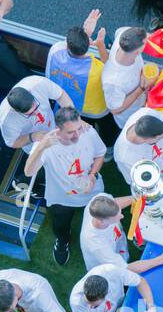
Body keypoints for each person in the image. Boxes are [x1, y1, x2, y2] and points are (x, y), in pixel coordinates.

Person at [24, 107, 107, 266]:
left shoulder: (87, 132)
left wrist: (92, 175)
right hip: (62, 197)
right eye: (71, 132)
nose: (77, 135)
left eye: (78, 129)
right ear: (58, 129)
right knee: (61, 224)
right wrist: (41, 146)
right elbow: (28, 172)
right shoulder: (47, 145)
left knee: (101, 216)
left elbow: (100, 154)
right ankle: (63, 241)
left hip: (92, 189)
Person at [79, 192, 163, 272]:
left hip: (118, 246)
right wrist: (162, 259)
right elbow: (126, 269)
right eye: (116, 217)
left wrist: (140, 198)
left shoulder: (98, 202)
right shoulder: (97, 245)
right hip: (107, 268)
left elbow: (116, 202)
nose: (122, 216)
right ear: (102, 221)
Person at [70, 262, 159, 312]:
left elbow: (140, 281)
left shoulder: (112, 272)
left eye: (95, 306)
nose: (89, 307)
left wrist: (151, 308)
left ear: (107, 293)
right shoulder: (77, 303)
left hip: (123, 307)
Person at [0, 74, 73, 154]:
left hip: (54, 126)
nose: (37, 113)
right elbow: (12, 142)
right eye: (30, 114)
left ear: (30, 92)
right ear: (15, 111)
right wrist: (32, 137)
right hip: (38, 147)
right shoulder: (6, 120)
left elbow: (60, 95)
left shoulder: (38, 83)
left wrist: (72, 118)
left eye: (36, 107)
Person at [113, 110, 163, 185]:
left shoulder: (146, 113)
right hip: (159, 181)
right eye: (159, 138)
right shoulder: (123, 157)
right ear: (145, 139)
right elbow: (137, 183)